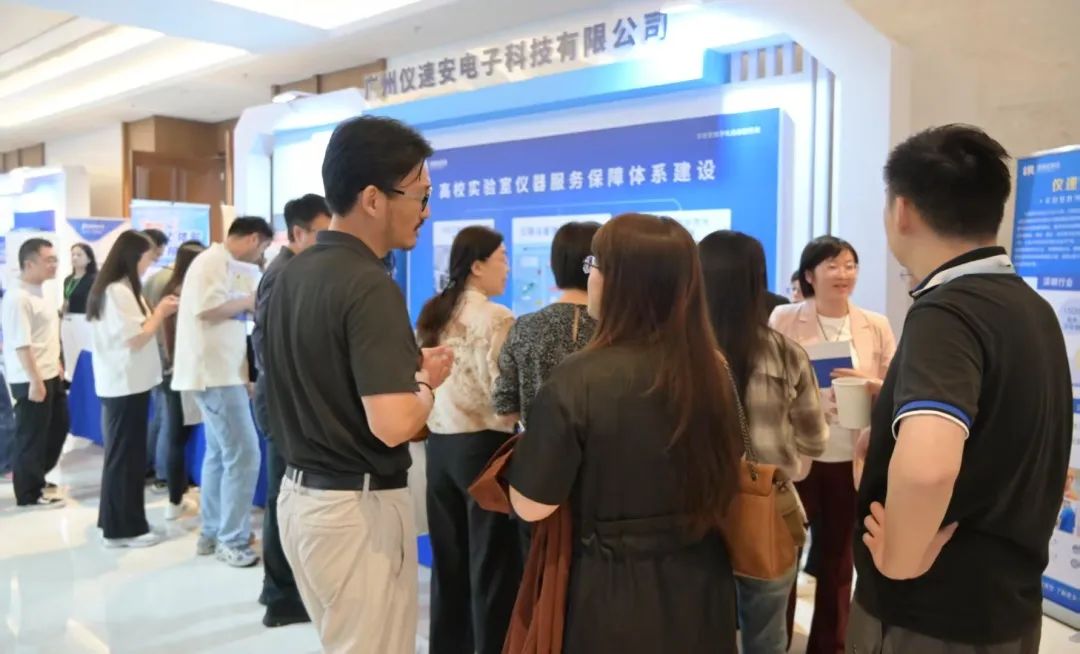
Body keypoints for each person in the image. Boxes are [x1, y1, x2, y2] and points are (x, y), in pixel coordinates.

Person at [848, 124, 1070, 654]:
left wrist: (898, 558)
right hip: (1006, 609)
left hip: (928, 619)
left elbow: (929, 468)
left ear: (902, 210)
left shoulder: (945, 312)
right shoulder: (1031, 308)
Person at [508, 213, 743, 653]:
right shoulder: (712, 369)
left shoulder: (577, 378)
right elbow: (736, 462)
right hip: (704, 584)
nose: (590, 275)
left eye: (595, 263)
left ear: (622, 281)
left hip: (611, 591)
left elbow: (531, 503)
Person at [267, 115, 452, 654]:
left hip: (301, 500)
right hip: (356, 510)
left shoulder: (292, 273)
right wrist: (427, 384)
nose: (426, 210)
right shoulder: (370, 284)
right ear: (373, 198)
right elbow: (393, 424)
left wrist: (402, 370)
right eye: (420, 195)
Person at [699, 230, 828, 654]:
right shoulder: (788, 353)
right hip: (766, 510)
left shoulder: (677, 356)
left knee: (698, 633)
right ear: (758, 280)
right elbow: (814, 442)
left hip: (693, 513)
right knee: (766, 637)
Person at [769, 235, 896, 654]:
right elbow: (768, 380)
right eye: (832, 266)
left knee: (839, 561)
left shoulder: (875, 324)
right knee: (784, 555)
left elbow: (895, 385)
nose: (844, 274)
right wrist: (807, 398)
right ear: (810, 275)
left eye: (850, 265)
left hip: (851, 456)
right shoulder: (785, 317)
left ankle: (829, 645)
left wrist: (868, 384)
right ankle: (778, 640)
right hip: (799, 455)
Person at [417, 225, 520, 654]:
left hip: (440, 448)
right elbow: (505, 396)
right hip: (484, 450)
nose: (508, 268)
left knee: (449, 563)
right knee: (491, 566)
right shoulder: (496, 317)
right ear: (477, 266)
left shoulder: (433, 313)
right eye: (502, 258)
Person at [172, 217, 273, 568]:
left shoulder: (219, 262)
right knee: (244, 455)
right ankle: (232, 538)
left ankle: (214, 532)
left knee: (219, 454)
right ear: (253, 239)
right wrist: (248, 300)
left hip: (221, 372)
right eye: (262, 248)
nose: (260, 256)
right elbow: (208, 308)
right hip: (214, 375)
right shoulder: (213, 262)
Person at [251, 193, 331, 628]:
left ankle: (282, 589)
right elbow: (268, 347)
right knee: (284, 497)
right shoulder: (284, 275)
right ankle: (281, 596)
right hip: (283, 404)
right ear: (298, 233)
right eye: (323, 233)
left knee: (286, 494)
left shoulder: (296, 270)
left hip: (286, 401)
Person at [86, 231, 179, 547]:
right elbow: (135, 338)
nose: (149, 264)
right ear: (133, 257)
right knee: (125, 459)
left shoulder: (121, 289)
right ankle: (124, 530)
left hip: (128, 383)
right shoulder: (117, 291)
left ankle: (115, 523)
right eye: (148, 258)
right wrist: (161, 312)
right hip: (124, 384)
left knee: (124, 457)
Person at [494, 221, 599, 428]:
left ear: (554, 264)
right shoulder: (617, 327)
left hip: (539, 444)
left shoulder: (524, 326)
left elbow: (505, 410)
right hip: (605, 445)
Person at [2, 239, 67, 508]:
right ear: (29, 264)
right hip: (31, 377)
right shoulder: (18, 298)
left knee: (59, 426)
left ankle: (36, 476)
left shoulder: (42, 291)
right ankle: (29, 493)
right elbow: (22, 344)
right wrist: (34, 379)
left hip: (49, 372)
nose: (54, 265)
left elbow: (46, 335)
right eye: (48, 260)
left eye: (55, 259)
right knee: (31, 435)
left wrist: (57, 363)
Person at [158, 241, 206, 519]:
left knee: (175, 436)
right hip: (183, 372)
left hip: (173, 370)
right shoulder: (184, 293)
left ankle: (176, 497)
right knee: (177, 437)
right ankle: (175, 498)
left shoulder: (172, 289)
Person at [63, 243, 97, 316]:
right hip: (69, 319)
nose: (75, 258)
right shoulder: (68, 279)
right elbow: (66, 299)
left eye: (79, 255)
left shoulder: (94, 279)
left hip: (86, 319)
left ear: (89, 259)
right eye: (73, 255)